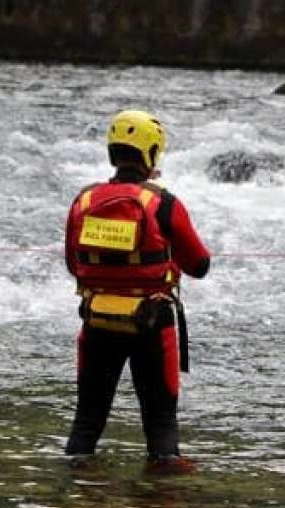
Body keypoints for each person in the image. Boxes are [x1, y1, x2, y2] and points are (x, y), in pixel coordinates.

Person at [64, 110, 210, 473]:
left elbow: (73, 264)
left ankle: (75, 502)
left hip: (98, 322)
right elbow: (200, 265)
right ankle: (161, 507)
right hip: (152, 325)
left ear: (113, 152)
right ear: (152, 153)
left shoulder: (83, 201)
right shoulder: (164, 204)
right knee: (161, 426)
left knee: (86, 425)